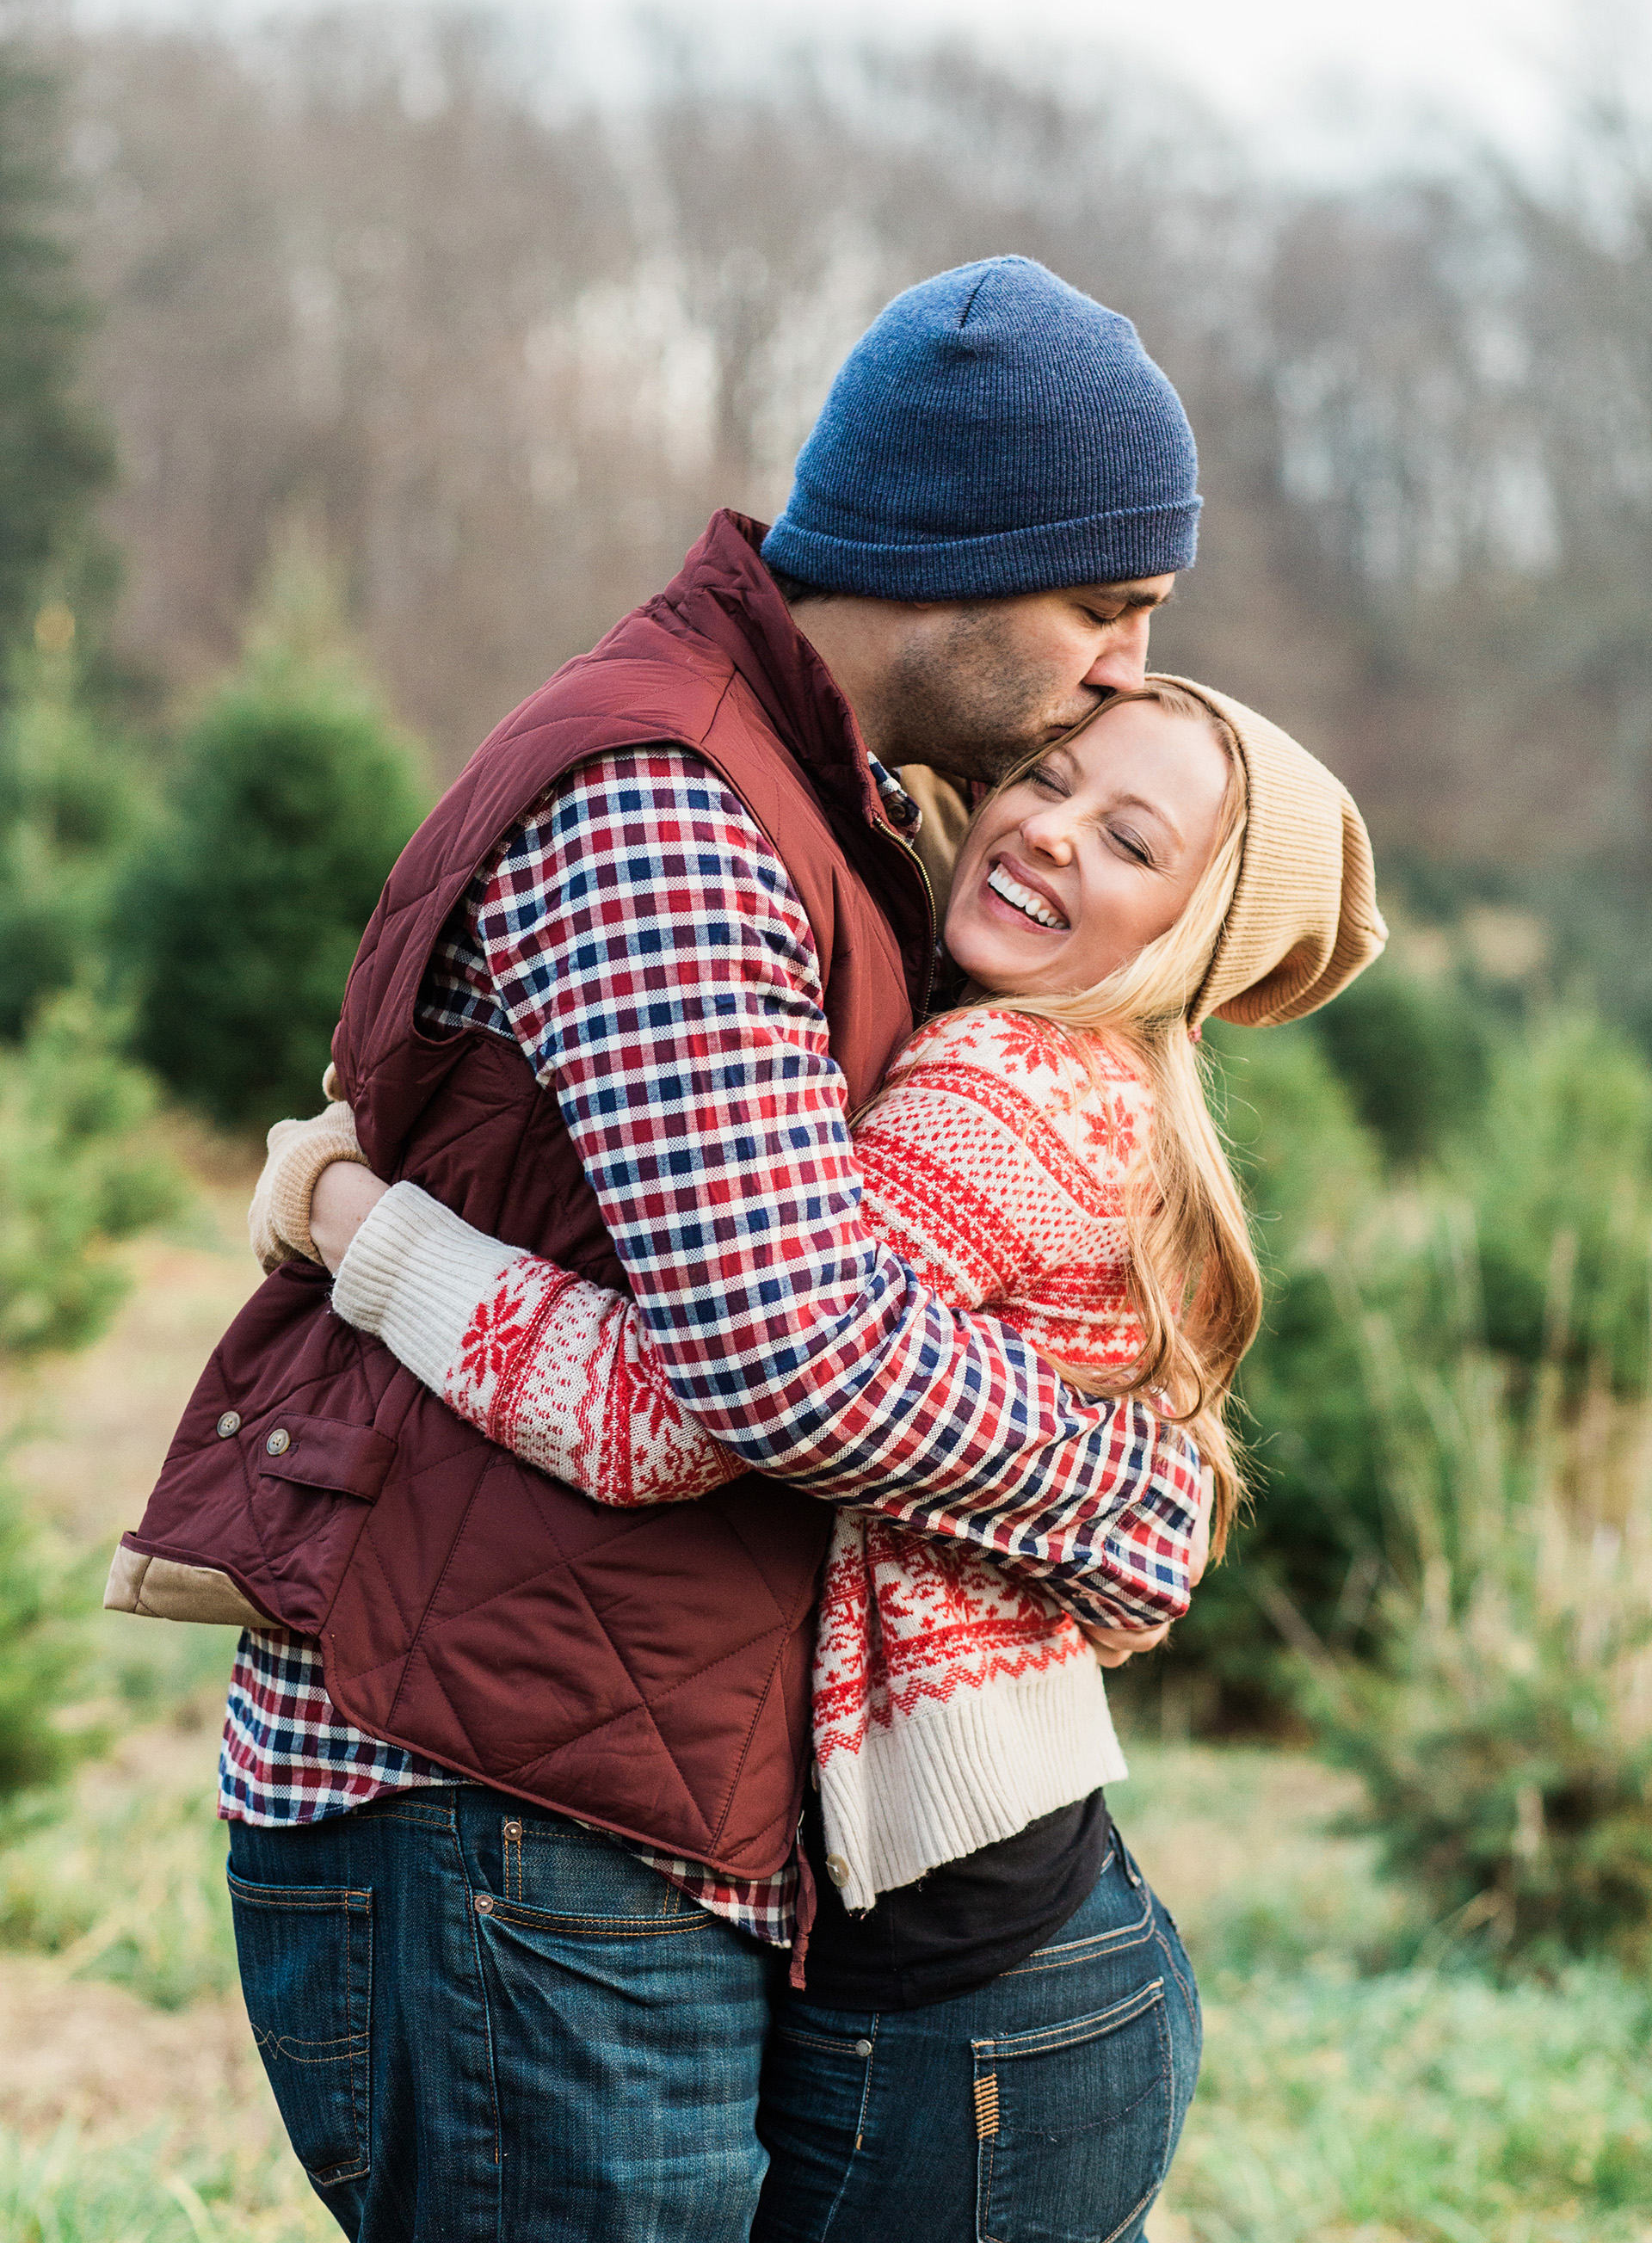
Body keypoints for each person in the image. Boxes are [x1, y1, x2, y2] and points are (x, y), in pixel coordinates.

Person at [105, 256, 1333, 2241]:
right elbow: (784, 1355)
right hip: (497, 1788)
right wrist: (1127, 1489)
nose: (1120, 668)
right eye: (1107, 610)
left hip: (601, 1764)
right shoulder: (677, 802)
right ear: (968, 555)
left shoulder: (827, 807)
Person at [260, 675, 1383, 2241]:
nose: (1049, 832)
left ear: (1187, 944)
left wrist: (351, 1220)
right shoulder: (1062, 1077)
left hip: (967, 2015)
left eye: (1129, 842)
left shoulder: (1000, 1092)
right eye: (1051, 777)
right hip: (1020, 1967)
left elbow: (679, 1408)